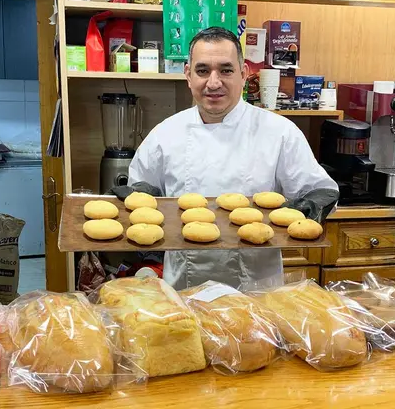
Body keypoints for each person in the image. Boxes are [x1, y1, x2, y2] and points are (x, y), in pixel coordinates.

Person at [128, 27, 338, 290]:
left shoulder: (279, 132)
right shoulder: (164, 134)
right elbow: (142, 194)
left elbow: (320, 190)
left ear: (244, 73)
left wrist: (311, 206)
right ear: (188, 75)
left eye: (226, 70)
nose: (213, 83)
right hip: (185, 286)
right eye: (203, 70)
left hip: (257, 289)